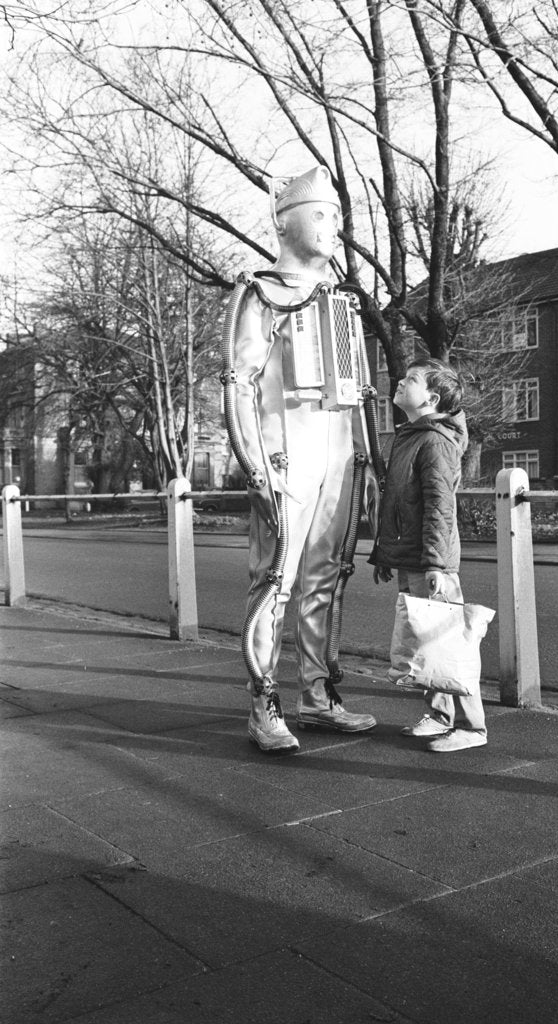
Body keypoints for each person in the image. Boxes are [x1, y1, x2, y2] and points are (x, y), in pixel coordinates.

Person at [221, 166, 379, 753]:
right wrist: (254, 464)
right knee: (276, 580)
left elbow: (359, 394)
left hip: (339, 456)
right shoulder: (260, 292)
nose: (333, 227)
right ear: (286, 224)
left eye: (336, 216)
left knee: (325, 579)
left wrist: (368, 462)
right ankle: (264, 702)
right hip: (286, 454)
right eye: (321, 214)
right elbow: (239, 382)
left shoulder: (342, 302)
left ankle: (318, 694)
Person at [370, 358, 487, 752]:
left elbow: (440, 505)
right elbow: (399, 501)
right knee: (427, 639)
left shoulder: (434, 441)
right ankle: (439, 717)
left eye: (411, 380)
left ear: (431, 398)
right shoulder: (410, 435)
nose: (400, 382)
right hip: (414, 555)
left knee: (449, 640)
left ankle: (473, 727)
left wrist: (437, 562)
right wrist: (389, 555)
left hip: (431, 559)